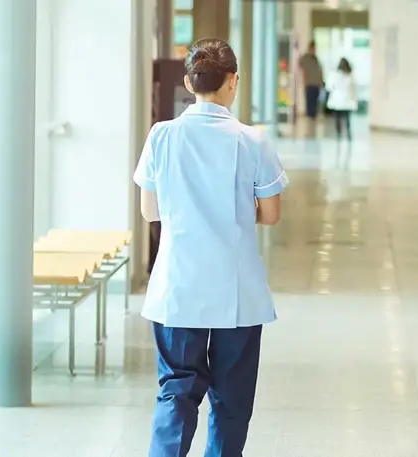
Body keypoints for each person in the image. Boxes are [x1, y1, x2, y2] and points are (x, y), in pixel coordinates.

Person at [133, 38, 288, 457]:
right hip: (237, 291)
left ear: (189, 81)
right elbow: (270, 214)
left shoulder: (162, 136)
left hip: (178, 287)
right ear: (233, 81)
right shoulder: (253, 140)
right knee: (232, 401)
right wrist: (235, 211)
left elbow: (151, 210)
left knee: (176, 393)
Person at [326, 58, 357, 140]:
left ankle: (338, 134)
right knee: (347, 118)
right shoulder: (349, 75)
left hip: (337, 100)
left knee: (337, 117)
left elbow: (329, 87)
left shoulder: (334, 75)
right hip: (347, 100)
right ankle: (348, 133)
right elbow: (352, 87)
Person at [298, 41, 324, 120]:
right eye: (313, 48)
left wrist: (321, 81)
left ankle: (314, 115)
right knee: (309, 101)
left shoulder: (316, 58)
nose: (314, 50)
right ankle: (310, 116)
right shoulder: (305, 58)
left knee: (315, 101)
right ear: (310, 48)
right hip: (309, 83)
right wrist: (303, 79)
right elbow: (300, 66)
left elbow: (319, 71)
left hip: (317, 84)